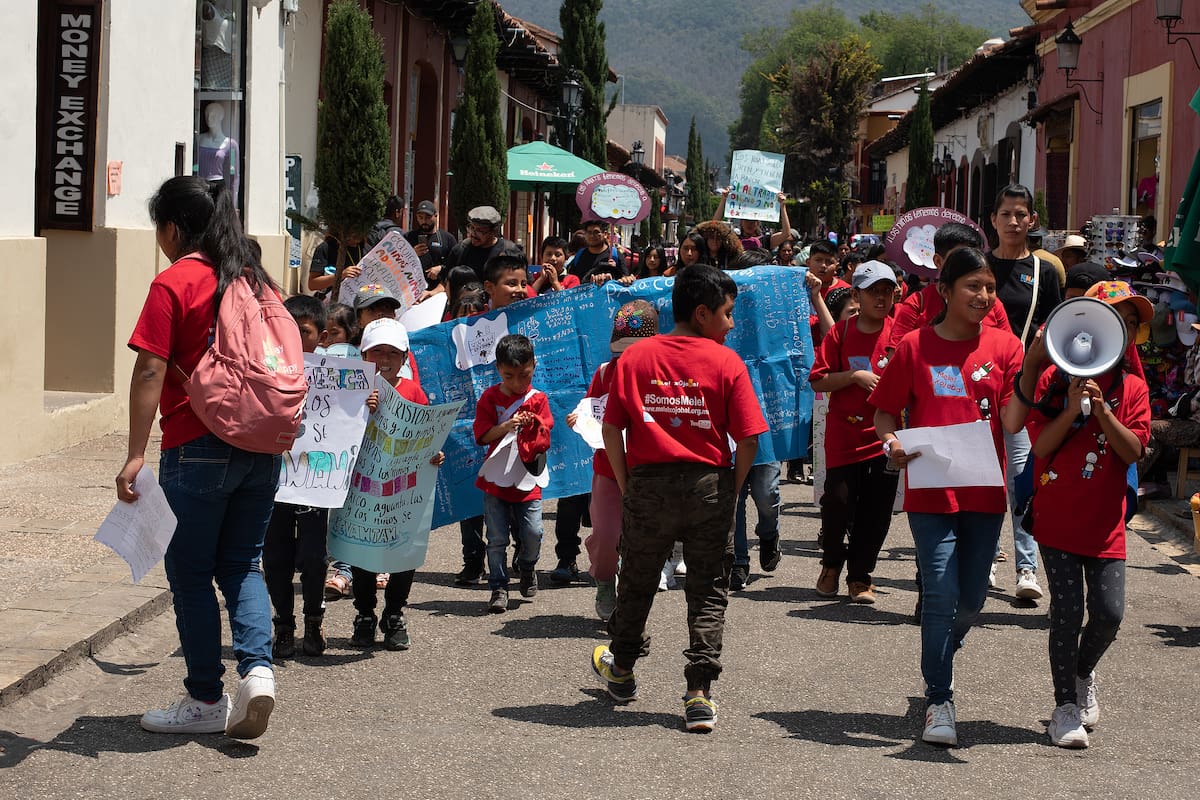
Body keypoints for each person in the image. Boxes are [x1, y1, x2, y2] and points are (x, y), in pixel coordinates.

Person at [121, 176, 280, 739]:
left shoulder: (176, 281)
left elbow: (150, 369)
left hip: (197, 446)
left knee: (190, 573)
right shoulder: (253, 278)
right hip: (262, 446)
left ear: (172, 228)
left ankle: (207, 699)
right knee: (243, 565)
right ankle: (258, 672)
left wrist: (135, 453)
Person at [590, 264, 768, 734]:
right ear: (703, 313)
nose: (731, 324)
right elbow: (749, 439)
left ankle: (621, 670)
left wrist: (628, 485)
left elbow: (612, 428)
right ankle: (699, 694)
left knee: (638, 581)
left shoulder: (635, 357)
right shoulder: (726, 362)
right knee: (708, 589)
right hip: (710, 485)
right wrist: (731, 489)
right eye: (727, 314)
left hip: (648, 484)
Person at [869, 246, 1032, 748]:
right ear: (944, 291)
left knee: (973, 598)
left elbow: (1011, 422)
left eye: (989, 287)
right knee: (939, 592)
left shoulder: (1006, 347)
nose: (984, 296)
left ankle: (941, 653)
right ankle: (939, 698)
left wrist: (1034, 370)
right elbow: (885, 412)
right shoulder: (914, 347)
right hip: (931, 493)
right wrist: (891, 443)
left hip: (985, 493)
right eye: (972, 286)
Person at [1012, 281, 1151, 748]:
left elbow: (1133, 451)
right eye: (1117, 320)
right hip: (1057, 519)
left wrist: (1105, 413)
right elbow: (1040, 448)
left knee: (1109, 614)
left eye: (1131, 324)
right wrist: (1072, 408)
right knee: (1067, 612)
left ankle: (1083, 671)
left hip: (1106, 524)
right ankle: (1064, 707)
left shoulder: (1133, 387)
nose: (1124, 330)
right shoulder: (1054, 381)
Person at [350, 318, 446, 650]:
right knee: (361, 552)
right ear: (363, 355)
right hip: (362, 487)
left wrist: (434, 454)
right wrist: (363, 412)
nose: (385, 359)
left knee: (404, 552)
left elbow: (427, 433)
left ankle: (394, 613)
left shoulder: (414, 392)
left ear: (405, 358)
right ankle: (364, 613)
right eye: (377, 351)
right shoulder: (353, 391)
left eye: (393, 353)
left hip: (403, 488)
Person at [809, 262, 901, 604]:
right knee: (837, 503)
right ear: (857, 295)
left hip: (884, 440)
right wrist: (853, 376)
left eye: (887, 291)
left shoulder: (900, 334)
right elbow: (818, 380)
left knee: (876, 513)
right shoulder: (840, 333)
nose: (881, 298)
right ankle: (832, 563)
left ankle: (860, 576)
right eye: (873, 291)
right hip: (844, 437)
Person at [988, 184, 1062, 601]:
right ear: (993, 220)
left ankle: (1026, 567)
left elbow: (1053, 328)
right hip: (979, 386)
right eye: (1006, 214)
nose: (1014, 222)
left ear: (1032, 220)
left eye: (1021, 215)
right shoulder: (978, 266)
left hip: (1022, 387)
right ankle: (984, 558)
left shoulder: (1044, 272)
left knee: (1021, 477)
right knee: (984, 476)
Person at [575, 300, 660, 620]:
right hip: (608, 468)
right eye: (622, 349)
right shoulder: (605, 372)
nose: (628, 356)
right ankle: (604, 579)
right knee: (607, 534)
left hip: (649, 470)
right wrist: (580, 418)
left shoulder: (661, 372)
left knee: (642, 538)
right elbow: (591, 408)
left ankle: (631, 599)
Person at [263, 296, 330, 659]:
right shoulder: (266, 367)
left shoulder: (337, 376)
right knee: (275, 558)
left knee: (315, 557)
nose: (294, 337)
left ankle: (314, 622)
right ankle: (284, 625)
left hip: (316, 485)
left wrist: (364, 404)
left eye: (303, 332)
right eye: (287, 329)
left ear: (321, 337)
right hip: (273, 481)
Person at [474, 334, 554, 613]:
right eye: (509, 376)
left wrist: (533, 423)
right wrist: (507, 426)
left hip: (527, 478)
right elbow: (483, 436)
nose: (517, 383)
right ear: (498, 369)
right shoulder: (490, 397)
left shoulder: (538, 399)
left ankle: (527, 566)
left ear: (534, 366)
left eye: (524, 375)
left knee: (533, 531)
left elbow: (546, 431)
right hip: (495, 479)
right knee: (496, 538)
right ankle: (498, 586)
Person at [887, 223, 1010, 355]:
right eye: (959, 259)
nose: (969, 266)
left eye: (973, 258)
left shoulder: (992, 304)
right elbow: (896, 356)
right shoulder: (917, 304)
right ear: (938, 261)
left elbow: (1008, 350)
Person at [442, 206, 515, 285]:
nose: (473, 233)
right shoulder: (460, 250)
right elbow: (446, 282)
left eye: (480, 230)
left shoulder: (509, 252)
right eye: (472, 227)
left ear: (494, 231)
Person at [404, 200, 457, 288]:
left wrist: (441, 269)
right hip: (414, 288)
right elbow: (398, 262)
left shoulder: (447, 239)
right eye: (420, 217)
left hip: (439, 289)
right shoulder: (409, 237)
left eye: (428, 217)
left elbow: (455, 264)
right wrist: (412, 254)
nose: (424, 221)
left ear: (436, 216)